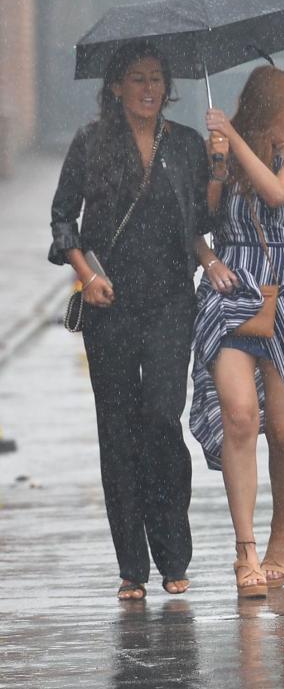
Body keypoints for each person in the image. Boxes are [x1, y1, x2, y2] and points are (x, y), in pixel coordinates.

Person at [48, 41, 211, 601]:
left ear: (169, 87)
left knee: (162, 419)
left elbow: (203, 222)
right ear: (115, 87)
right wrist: (86, 275)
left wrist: (218, 166)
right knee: (117, 431)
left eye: (157, 79)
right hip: (108, 303)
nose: (148, 88)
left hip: (170, 302)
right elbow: (62, 218)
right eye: (137, 78)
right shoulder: (91, 143)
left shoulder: (187, 145)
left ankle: (173, 552)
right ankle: (132, 568)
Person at [190, 65, 284, 598]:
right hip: (231, 288)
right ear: (270, 109)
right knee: (241, 415)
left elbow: (277, 194)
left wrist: (236, 139)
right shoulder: (219, 153)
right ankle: (243, 551)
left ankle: (279, 531)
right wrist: (208, 256)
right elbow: (196, 220)